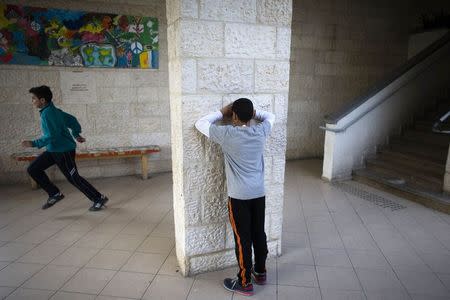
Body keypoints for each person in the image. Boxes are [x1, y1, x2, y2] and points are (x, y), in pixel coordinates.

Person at [195, 98, 275, 296]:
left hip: (239, 197)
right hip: (258, 193)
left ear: (235, 116)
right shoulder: (261, 131)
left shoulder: (227, 134)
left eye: (233, 114)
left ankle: (245, 282)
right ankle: (260, 272)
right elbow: (270, 116)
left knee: (242, 239)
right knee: (259, 233)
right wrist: (253, 112)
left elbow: (200, 124)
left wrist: (221, 112)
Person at [22, 85, 108, 211]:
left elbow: (52, 135)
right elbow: (72, 120)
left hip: (64, 151)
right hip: (53, 151)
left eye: (34, 98)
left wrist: (34, 143)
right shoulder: (53, 111)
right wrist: (76, 133)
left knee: (74, 178)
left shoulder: (49, 113)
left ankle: (99, 198)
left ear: (42, 100)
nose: (32, 101)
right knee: (33, 169)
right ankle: (54, 193)